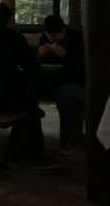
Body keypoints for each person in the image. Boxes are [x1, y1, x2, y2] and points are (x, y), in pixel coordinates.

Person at [0, 2, 61, 168]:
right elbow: (33, 66)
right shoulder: (14, 37)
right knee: (31, 105)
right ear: (9, 20)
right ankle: (32, 154)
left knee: (27, 102)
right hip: (5, 100)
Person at [38, 14, 85, 150]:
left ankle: (67, 141)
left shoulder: (77, 38)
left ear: (63, 30)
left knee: (66, 95)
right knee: (29, 89)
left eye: (54, 35)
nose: (51, 38)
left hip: (76, 81)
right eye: (48, 35)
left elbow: (83, 67)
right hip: (53, 79)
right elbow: (40, 63)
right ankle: (33, 141)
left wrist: (65, 55)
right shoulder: (44, 38)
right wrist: (41, 54)